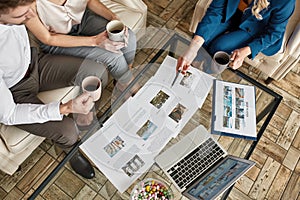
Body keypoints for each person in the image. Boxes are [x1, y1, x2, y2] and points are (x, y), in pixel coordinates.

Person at [0, 0, 108, 179]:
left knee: (97, 71)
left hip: (35, 63)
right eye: (21, 16)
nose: (31, 17)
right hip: (14, 91)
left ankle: (85, 116)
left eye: (30, 9)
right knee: (68, 132)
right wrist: (65, 108)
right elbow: (9, 114)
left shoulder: (19, 10)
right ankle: (71, 152)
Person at [25, 0, 137, 93]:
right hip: (57, 40)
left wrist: (113, 17)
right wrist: (95, 41)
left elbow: (89, 1)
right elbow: (48, 38)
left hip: (82, 20)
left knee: (129, 38)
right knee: (114, 56)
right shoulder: (27, 4)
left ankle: (122, 81)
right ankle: (132, 89)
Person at [177, 0, 296, 73]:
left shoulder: (286, 1)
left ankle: (208, 72)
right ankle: (191, 68)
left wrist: (246, 51)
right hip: (232, 12)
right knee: (202, 40)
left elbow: (274, 33)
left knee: (219, 48)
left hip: (256, 27)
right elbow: (216, 10)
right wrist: (192, 49)